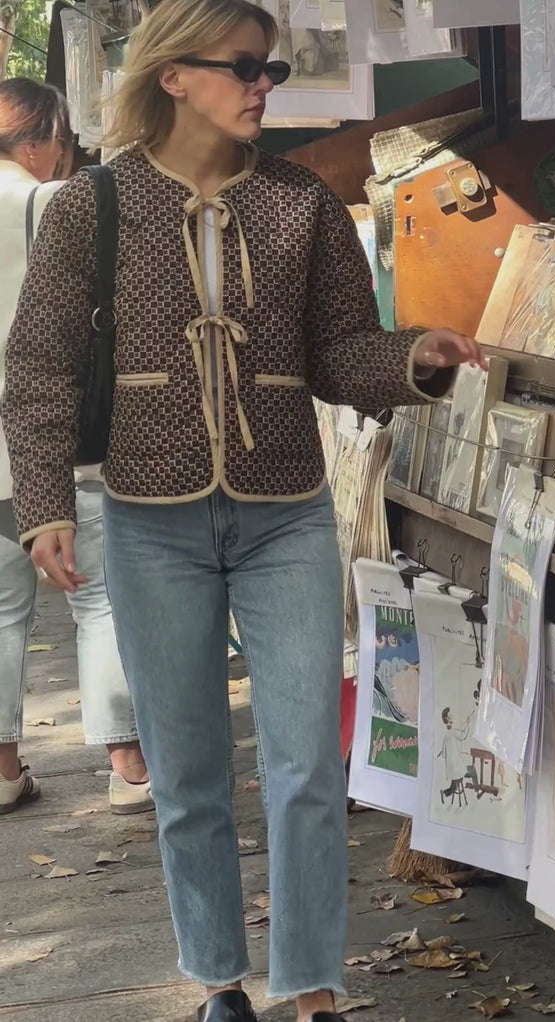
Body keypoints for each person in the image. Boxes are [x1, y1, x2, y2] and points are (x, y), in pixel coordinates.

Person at [1, 3, 484, 1019]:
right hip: (146, 517)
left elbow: (341, 349)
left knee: (308, 760)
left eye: (271, 67)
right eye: (246, 66)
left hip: (284, 514)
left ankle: (310, 984)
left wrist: (411, 359)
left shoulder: (301, 204)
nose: (266, 84)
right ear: (175, 75)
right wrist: (42, 502)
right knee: (187, 769)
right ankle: (220, 977)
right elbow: (39, 363)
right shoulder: (94, 206)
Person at [0, 78, 152, 816]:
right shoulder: (55, 204)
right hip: (53, 432)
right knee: (96, 597)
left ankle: (2, 770)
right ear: (37, 140)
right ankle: (127, 765)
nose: (65, 158)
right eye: (62, 143)